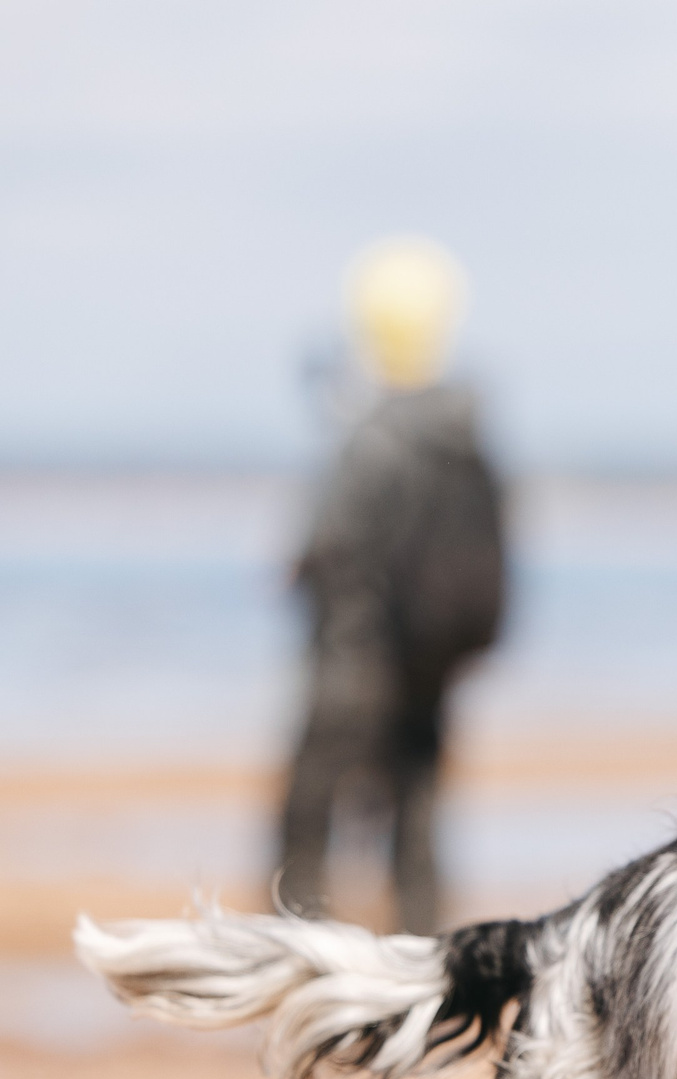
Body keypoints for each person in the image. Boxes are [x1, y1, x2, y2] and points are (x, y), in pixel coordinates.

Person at [277, 237, 508, 934]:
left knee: (310, 804)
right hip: (431, 654)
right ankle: (420, 943)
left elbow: (326, 543)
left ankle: (296, 934)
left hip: (356, 650)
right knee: (417, 806)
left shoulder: (372, 433)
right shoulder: (466, 430)